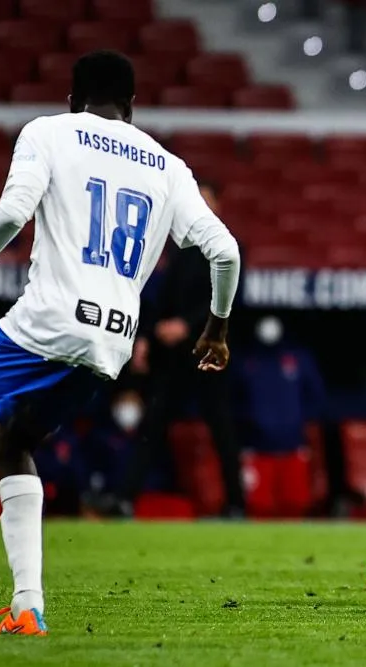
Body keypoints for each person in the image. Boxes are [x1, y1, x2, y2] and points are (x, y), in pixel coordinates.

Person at [0, 50, 241, 636]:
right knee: (15, 443)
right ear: (131, 107)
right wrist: (217, 327)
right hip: (111, 341)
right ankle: (28, 605)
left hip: (48, 317)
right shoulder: (168, 166)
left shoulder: (49, 132)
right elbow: (226, 251)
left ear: (71, 99)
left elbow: (12, 211)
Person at [112, 181, 245, 518]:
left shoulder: (228, 247)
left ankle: (236, 505)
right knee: (151, 426)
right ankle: (125, 498)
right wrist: (144, 337)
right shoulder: (174, 249)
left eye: (206, 198)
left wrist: (186, 324)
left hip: (209, 352)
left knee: (222, 429)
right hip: (171, 356)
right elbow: (156, 299)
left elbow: (231, 300)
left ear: (218, 207)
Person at [234, 315, 325, 519]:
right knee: (259, 507)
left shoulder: (299, 358)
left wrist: (297, 425)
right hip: (257, 449)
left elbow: (316, 397)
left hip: (293, 447)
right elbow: (234, 401)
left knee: (295, 504)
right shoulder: (245, 362)